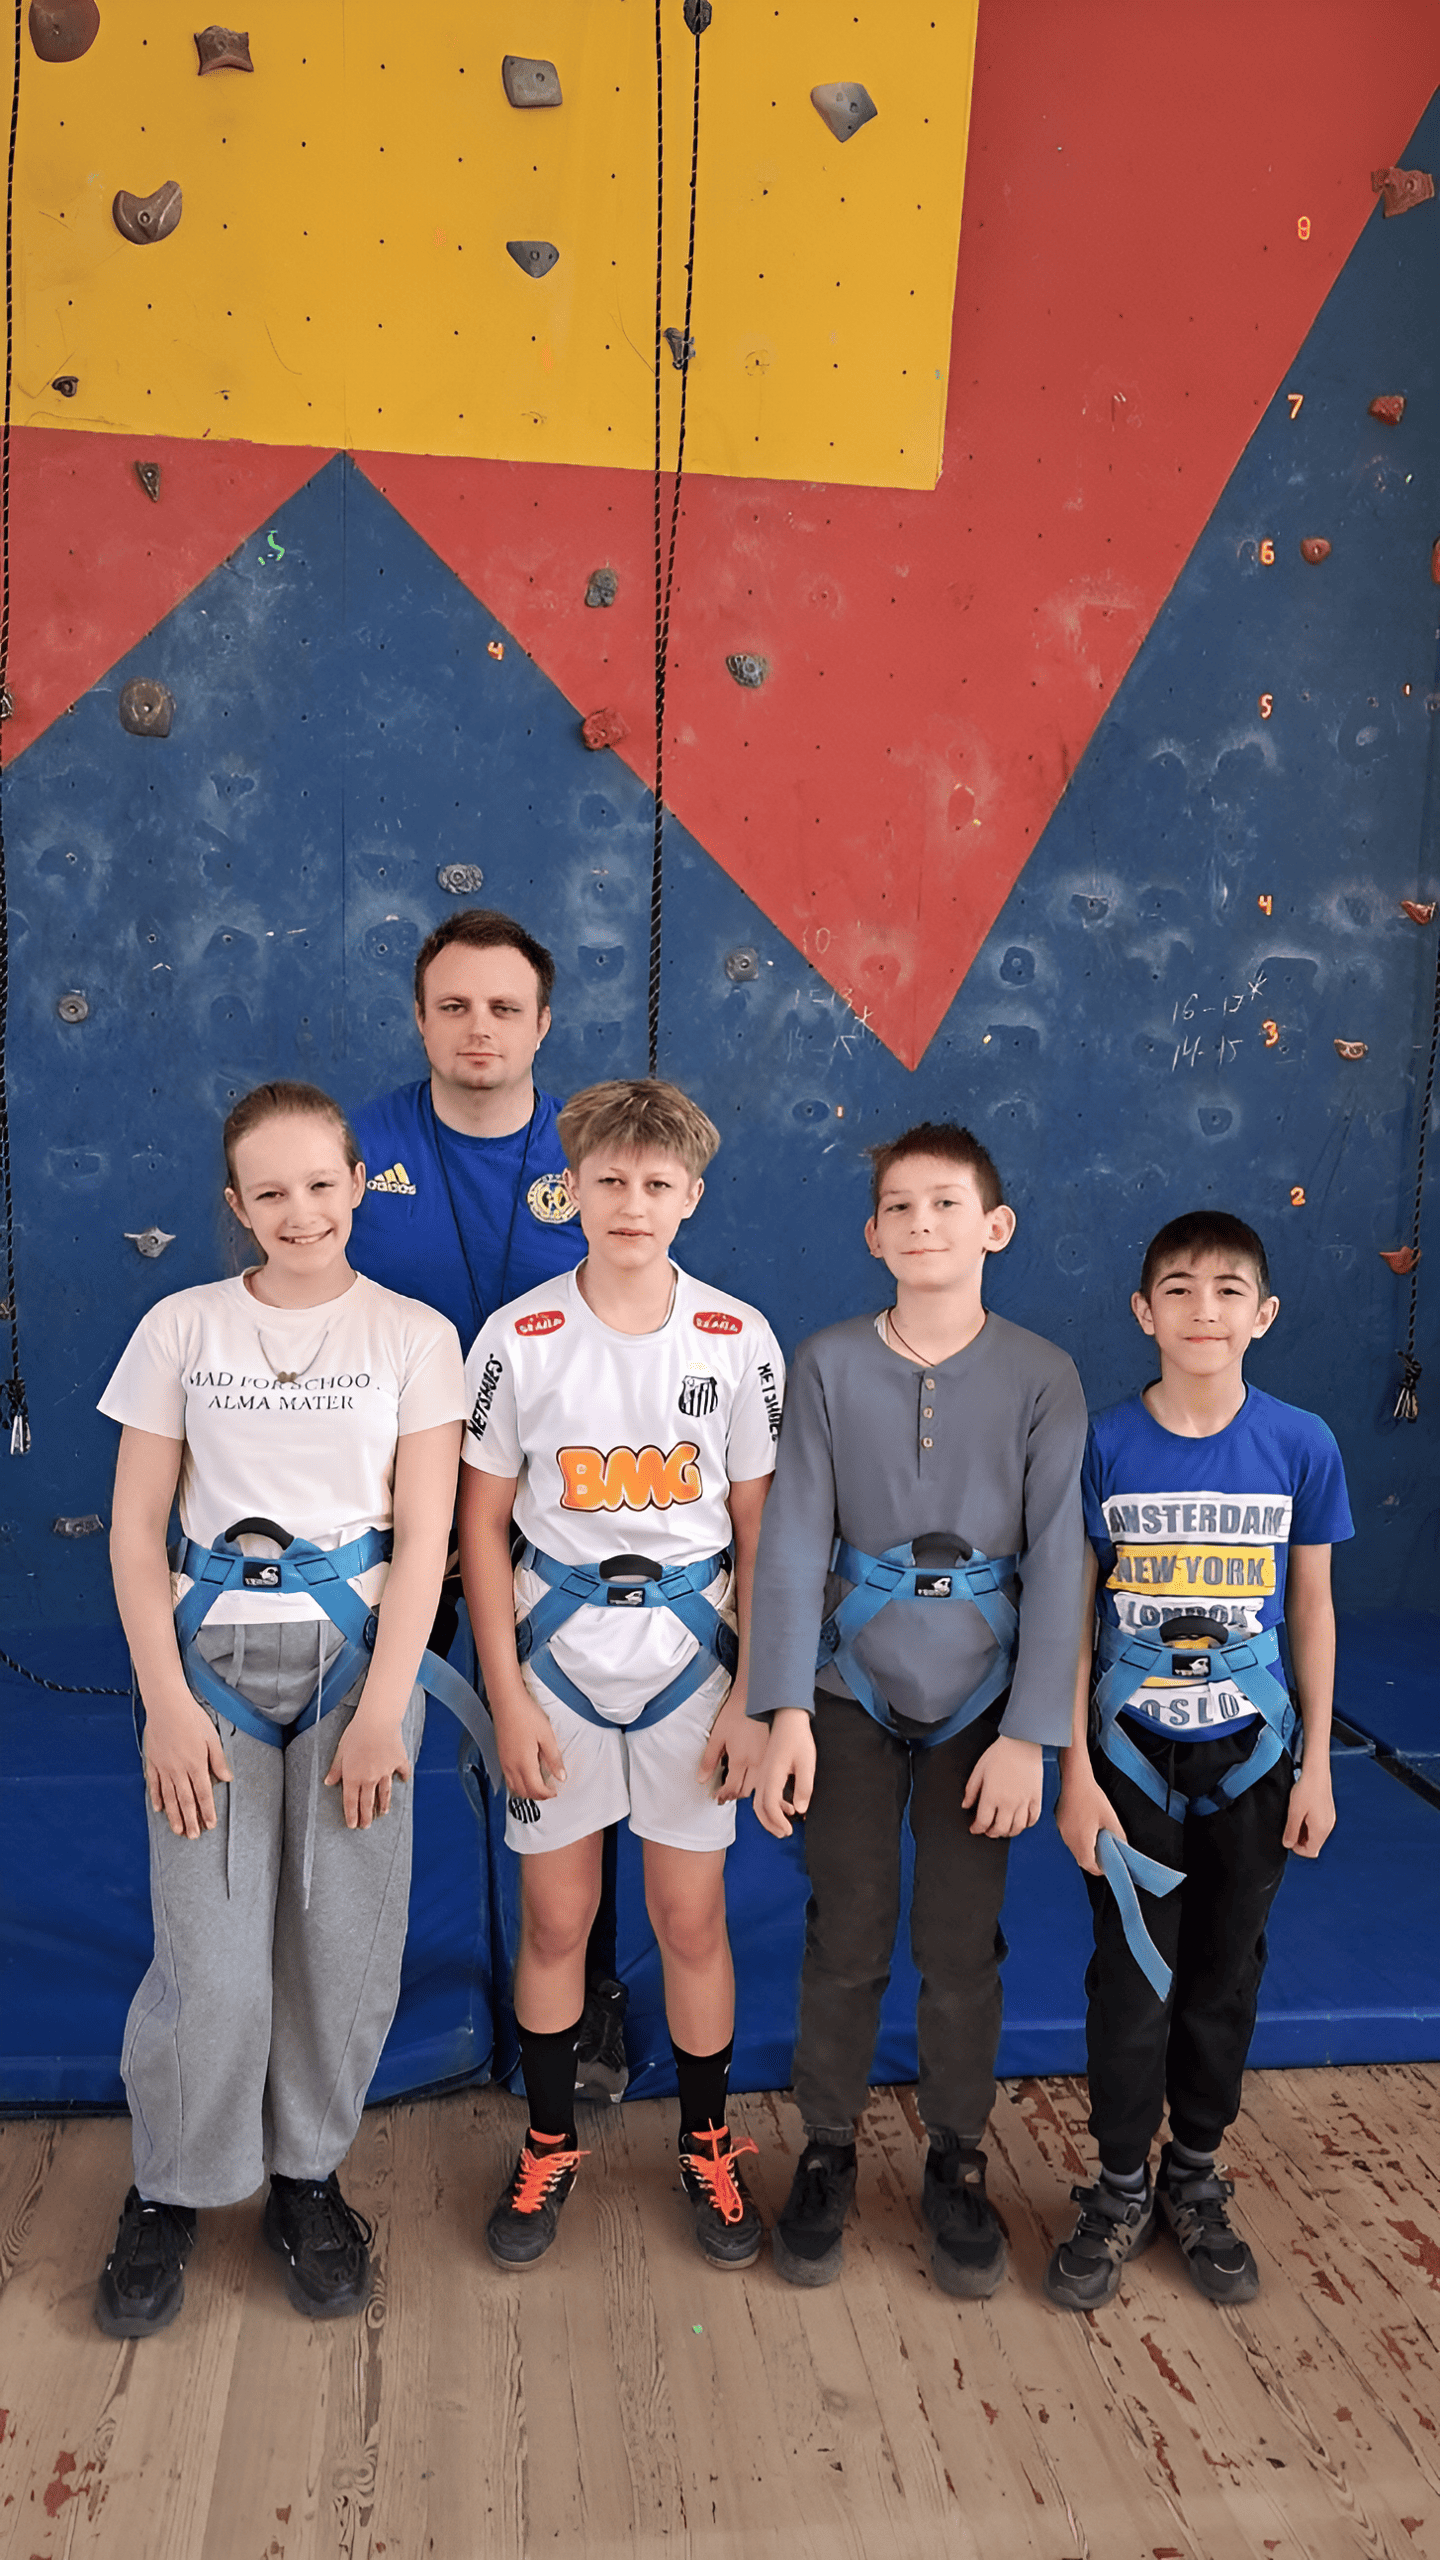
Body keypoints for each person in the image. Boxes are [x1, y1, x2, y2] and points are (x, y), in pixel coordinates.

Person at [92, 1080, 464, 2337]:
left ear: (359, 1183)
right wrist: (164, 1702)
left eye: (320, 1183)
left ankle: (306, 2176)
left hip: (361, 1667)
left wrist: (386, 1706)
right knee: (211, 1962)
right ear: (236, 1204)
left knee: (342, 1942)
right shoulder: (182, 1328)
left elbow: (426, 1541)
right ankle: (170, 2184)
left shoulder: (414, 1337)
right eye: (270, 1192)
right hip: (208, 1667)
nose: (300, 1211)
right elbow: (136, 1532)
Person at [751, 1123, 1087, 2297]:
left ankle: (956, 2154)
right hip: (847, 1684)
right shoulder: (829, 1362)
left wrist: (1032, 1734)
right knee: (846, 1930)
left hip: (983, 1702)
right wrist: (784, 1709)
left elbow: (1062, 1558)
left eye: (946, 1203)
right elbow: (794, 1536)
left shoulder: (1043, 1375)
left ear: (996, 1226)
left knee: (958, 1941)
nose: (922, 1222)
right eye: (899, 1205)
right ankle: (827, 2147)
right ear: (872, 1233)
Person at [458, 1078, 784, 2269]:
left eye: (656, 1183)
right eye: (609, 1181)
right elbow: (479, 1525)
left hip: (695, 1670)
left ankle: (706, 2140)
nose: (631, 1203)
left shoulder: (737, 1338)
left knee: (689, 1918)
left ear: (691, 1196)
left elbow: (760, 1530)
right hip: (556, 1666)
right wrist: (504, 1695)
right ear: (572, 1191)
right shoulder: (519, 1339)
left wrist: (755, 1696)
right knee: (557, 1919)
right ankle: (549, 2141)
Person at [1045, 1210, 1352, 2312]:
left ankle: (1194, 2174)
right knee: (1131, 1982)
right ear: (1144, 1311)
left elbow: (1311, 1608)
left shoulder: (1301, 1444)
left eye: (1229, 1291)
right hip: (1129, 1756)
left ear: (1263, 1315)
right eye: (1178, 1288)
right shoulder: (1102, 1445)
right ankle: (1120, 2183)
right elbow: (1071, 1615)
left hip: (1255, 1756)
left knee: (1225, 1973)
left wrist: (1317, 1765)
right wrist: (1074, 1770)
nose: (1203, 1309)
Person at [349, 906, 628, 2101]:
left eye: (505, 1007)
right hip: (387, 1506)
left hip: (560, 1514)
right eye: (454, 1005)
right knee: (368, 1737)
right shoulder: (355, 1147)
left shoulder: (595, 1156)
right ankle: (354, 1994)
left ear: (543, 1023)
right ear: (419, 1018)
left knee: (574, 1752)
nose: (480, 1027)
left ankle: (590, 1993)